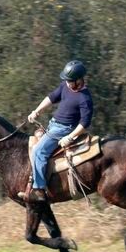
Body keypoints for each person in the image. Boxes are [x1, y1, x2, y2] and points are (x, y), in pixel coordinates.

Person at [18, 60, 94, 203]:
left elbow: (85, 123)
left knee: (38, 151)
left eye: (70, 80)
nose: (67, 83)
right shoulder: (65, 87)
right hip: (53, 124)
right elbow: (51, 97)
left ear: (78, 80)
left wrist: (70, 137)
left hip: (65, 129)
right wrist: (37, 111)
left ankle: (39, 190)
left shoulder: (85, 98)